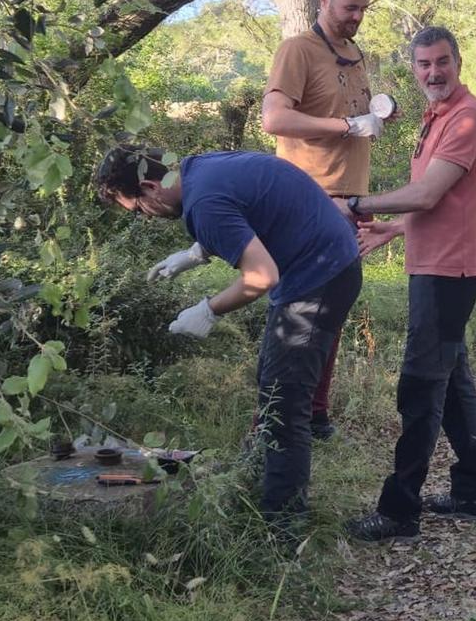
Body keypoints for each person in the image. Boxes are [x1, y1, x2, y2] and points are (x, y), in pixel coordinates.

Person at [95, 146, 362, 533]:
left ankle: (282, 530)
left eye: (138, 209)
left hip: (319, 276)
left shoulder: (203, 203)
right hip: (326, 261)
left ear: (151, 187)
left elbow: (261, 277)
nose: (145, 217)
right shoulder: (199, 168)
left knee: (283, 405)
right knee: (272, 381)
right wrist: (194, 254)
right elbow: (247, 208)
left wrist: (208, 310)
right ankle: (256, 479)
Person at [341, 25, 476, 543]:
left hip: (448, 270)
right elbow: (439, 200)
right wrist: (393, 228)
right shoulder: (437, 117)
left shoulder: (468, 117)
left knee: (420, 387)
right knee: (453, 385)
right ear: (414, 70)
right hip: (434, 264)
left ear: (459, 62)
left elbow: (428, 194)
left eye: (442, 62)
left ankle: (399, 510)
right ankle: (472, 492)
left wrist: (355, 204)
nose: (434, 72)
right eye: (424, 64)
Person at [261, 0, 384, 439]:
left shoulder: (353, 53)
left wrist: (373, 117)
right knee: (298, 311)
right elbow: (274, 119)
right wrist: (345, 126)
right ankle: (274, 417)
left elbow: (348, 114)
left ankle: (313, 412)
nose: (357, 17)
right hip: (308, 202)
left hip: (349, 203)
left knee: (331, 311)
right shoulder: (297, 49)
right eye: (349, 8)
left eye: (363, 9)